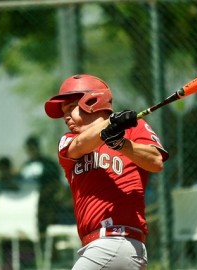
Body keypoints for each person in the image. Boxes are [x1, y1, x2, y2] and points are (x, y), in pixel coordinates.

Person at [44, 74, 169, 269]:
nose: (65, 117)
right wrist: (110, 125)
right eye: (63, 112)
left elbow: (156, 162)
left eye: (70, 108)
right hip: (96, 246)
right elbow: (80, 145)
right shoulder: (68, 140)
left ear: (92, 102)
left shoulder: (134, 129)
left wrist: (121, 144)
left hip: (117, 241)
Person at [20, 135, 63, 236]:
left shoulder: (48, 164)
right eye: (29, 148)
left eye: (33, 147)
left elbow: (55, 183)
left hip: (46, 202)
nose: (31, 150)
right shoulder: (26, 166)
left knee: (46, 226)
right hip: (28, 202)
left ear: (38, 147)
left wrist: (41, 195)